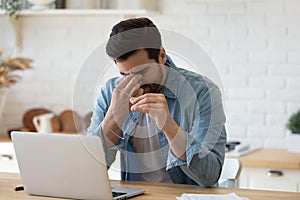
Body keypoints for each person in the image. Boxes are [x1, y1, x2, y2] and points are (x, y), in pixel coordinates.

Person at [88, 17, 226, 187]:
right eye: (125, 75)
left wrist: (170, 127)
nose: (134, 82)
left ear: (161, 55)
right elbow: (87, 170)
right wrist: (113, 118)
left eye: (143, 72)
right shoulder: (111, 92)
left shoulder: (202, 92)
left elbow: (210, 176)